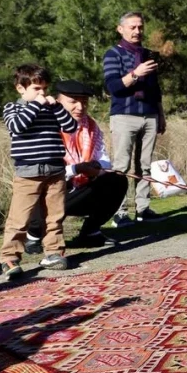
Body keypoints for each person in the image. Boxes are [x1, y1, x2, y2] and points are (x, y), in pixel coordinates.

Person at [26, 81, 127, 253]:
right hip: (49, 186)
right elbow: (41, 170)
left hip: (79, 186)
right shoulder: (44, 125)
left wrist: (95, 167)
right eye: (73, 102)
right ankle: (34, 235)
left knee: (117, 180)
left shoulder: (91, 127)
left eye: (84, 102)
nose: (80, 107)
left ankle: (90, 232)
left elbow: (104, 160)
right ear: (57, 102)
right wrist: (76, 169)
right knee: (48, 185)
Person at [0, 64, 78, 279]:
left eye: (44, 88)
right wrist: (36, 105)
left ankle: (53, 252)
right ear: (20, 89)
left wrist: (58, 107)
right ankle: (9, 257)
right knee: (19, 218)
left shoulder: (51, 109)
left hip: (55, 170)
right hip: (27, 172)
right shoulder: (12, 108)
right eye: (36, 89)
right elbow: (17, 127)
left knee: (55, 216)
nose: (42, 93)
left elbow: (71, 127)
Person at [103, 11, 166, 227]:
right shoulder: (113, 54)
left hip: (149, 115)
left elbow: (155, 89)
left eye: (140, 27)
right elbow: (113, 87)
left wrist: (161, 114)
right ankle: (119, 212)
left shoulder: (148, 54)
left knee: (145, 165)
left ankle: (143, 209)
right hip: (124, 115)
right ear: (120, 29)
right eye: (132, 27)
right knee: (121, 167)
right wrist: (136, 73)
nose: (137, 31)